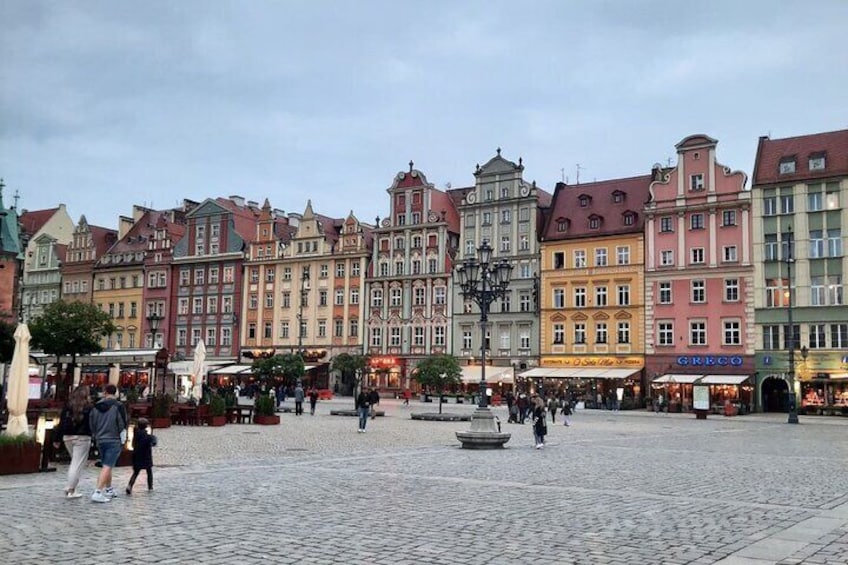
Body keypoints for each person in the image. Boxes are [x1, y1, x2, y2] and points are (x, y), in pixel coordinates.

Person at [89, 384, 128, 503]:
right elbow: (122, 423)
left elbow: (92, 422)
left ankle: (109, 489)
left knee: (107, 464)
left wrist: (95, 435)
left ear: (104, 392)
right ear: (115, 393)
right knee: (107, 465)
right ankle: (98, 491)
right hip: (113, 438)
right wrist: (123, 438)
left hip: (100, 438)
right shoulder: (118, 406)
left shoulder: (96, 406)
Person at [54, 385, 93, 499]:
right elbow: (91, 423)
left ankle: (73, 487)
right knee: (77, 464)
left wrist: (57, 438)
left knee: (74, 462)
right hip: (83, 437)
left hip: (68, 436)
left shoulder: (68, 405)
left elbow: (61, 422)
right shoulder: (88, 406)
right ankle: (70, 489)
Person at [126, 418, 157, 495]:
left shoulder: (136, 434)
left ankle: (129, 486)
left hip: (136, 455)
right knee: (149, 471)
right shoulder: (147, 436)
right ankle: (150, 487)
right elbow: (153, 442)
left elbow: (133, 444)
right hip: (146, 456)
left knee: (136, 472)